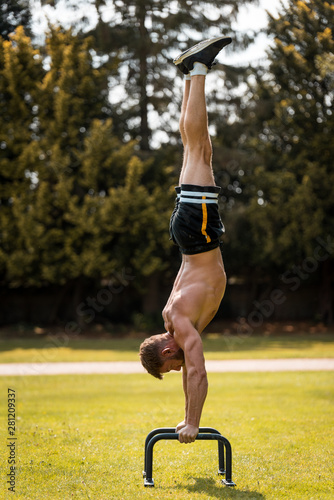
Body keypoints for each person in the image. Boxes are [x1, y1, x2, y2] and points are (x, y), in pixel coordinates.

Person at [139, 35, 232, 444]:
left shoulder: (180, 325)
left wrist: (193, 423)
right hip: (189, 237)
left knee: (199, 150)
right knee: (196, 149)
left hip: (198, 233)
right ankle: (191, 73)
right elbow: (188, 369)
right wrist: (185, 415)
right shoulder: (172, 319)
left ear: (165, 352)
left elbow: (197, 370)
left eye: (169, 368)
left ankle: (196, 69)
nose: (177, 369)